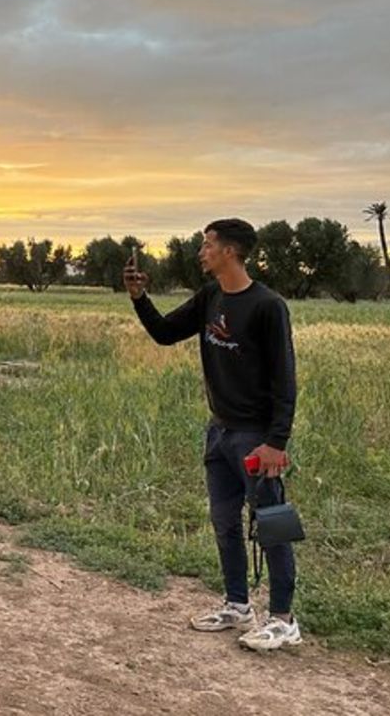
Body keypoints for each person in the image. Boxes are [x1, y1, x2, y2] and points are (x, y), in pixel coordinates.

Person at [125, 218, 300, 651]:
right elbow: (165, 334)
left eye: (207, 245)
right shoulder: (211, 297)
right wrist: (138, 297)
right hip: (219, 433)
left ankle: (283, 618)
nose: (201, 252)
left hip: (257, 437)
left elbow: (285, 378)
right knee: (225, 523)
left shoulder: (268, 306)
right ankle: (238, 605)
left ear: (230, 252)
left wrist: (277, 441)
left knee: (272, 523)